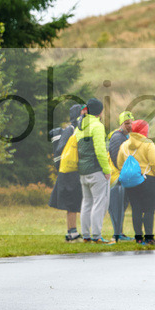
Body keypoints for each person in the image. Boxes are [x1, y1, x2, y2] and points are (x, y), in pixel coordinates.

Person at [117, 119, 155, 246]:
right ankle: (149, 238)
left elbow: (120, 164)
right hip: (148, 179)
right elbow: (154, 162)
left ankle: (138, 238)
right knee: (149, 210)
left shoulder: (124, 145)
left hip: (131, 181)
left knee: (136, 209)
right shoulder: (148, 144)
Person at [75, 97, 113, 244]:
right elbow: (100, 151)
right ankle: (97, 236)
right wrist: (106, 169)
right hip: (96, 171)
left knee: (86, 203)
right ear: (100, 112)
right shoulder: (97, 126)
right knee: (99, 203)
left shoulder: (79, 126)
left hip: (83, 171)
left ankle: (86, 236)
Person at [48, 104, 84, 242]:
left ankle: (71, 232)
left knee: (73, 203)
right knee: (72, 203)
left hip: (71, 170)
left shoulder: (76, 129)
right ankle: (72, 232)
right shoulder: (71, 129)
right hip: (69, 171)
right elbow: (60, 149)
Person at [107, 111, 135, 242]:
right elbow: (115, 157)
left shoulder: (125, 136)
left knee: (122, 206)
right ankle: (117, 234)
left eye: (131, 123)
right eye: (126, 123)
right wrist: (125, 172)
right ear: (121, 124)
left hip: (122, 177)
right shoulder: (117, 137)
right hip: (117, 178)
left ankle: (120, 233)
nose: (129, 126)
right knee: (117, 207)